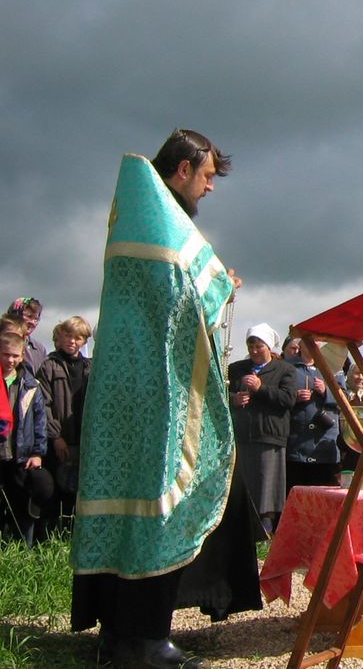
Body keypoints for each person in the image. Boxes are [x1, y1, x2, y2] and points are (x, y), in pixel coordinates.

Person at [72, 129, 245, 668]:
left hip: (133, 386)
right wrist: (224, 286)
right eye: (208, 175)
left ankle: (120, 634)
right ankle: (144, 639)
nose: (211, 187)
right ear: (183, 169)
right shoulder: (162, 223)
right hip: (158, 395)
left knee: (131, 506)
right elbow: (186, 293)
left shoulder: (143, 217)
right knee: (159, 502)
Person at [229, 324, 297, 535]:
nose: (254, 350)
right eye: (251, 345)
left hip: (269, 435)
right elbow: (222, 393)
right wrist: (234, 399)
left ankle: (265, 529)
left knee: (267, 485)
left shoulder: (285, 370)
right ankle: (241, 528)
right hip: (243, 434)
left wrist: (261, 388)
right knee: (244, 483)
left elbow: (288, 399)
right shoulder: (236, 369)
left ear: (268, 347)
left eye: (259, 346)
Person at [36, 316, 93, 524]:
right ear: (60, 337)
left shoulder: (91, 368)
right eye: (68, 336)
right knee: (58, 487)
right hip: (60, 438)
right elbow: (44, 404)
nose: (72, 341)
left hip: (84, 438)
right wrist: (55, 436)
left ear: (85, 342)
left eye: (78, 338)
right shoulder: (49, 366)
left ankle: (73, 532)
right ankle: (53, 533)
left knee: (79, 488)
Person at [1, 331, 54, 546]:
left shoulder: (30, 385)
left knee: (23, 503)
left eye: (14, 355)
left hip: (20, 454)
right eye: (5, 355)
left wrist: (37, 452)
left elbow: (40, 420)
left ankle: (24, 549)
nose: (10, 360)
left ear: (22, 355)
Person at [285, 338, 341, 492]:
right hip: (297, 444)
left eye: (317, 341)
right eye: (310, 340)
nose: (314, 344)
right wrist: (294, 397)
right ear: (300, 345)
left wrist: (326, 392)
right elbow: (279, 396)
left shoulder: (333, 369)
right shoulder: (288, 368)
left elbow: (346, 400)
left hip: (325, 445)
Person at [6, 298, 47, 374]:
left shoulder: (39, 349)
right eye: (29, 316)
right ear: (15, 315)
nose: (33, 323)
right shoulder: (2, 341)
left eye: (36, 319)